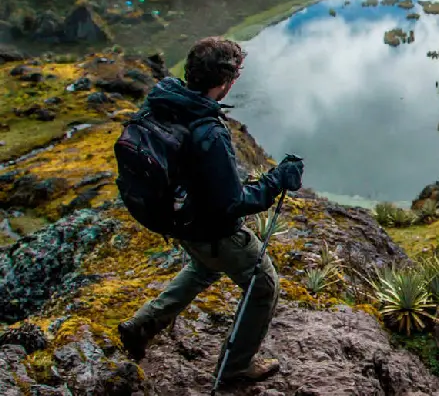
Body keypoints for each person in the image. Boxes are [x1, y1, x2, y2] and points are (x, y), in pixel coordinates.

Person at [117, 37, 304, 384]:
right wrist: (278, 180)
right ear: (226, 81)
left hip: (179, 221)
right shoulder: (209, 130)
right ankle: (235, 369)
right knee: (263, 286)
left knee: (204, 268)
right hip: (214, 231)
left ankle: (142, 325)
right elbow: (232, 203)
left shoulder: (166, 103)